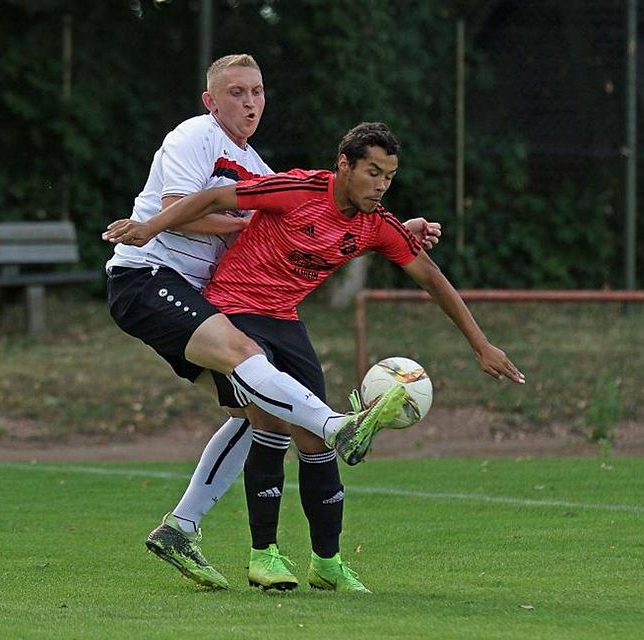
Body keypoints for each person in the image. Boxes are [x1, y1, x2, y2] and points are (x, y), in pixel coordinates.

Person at [104, 121, 526, 593]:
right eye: (372, 172)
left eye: (389, 175)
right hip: (237, 306)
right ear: (343, 165)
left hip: (286, 319)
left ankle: (326, 562)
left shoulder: (375, 224)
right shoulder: (297, 188)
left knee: (308, 438)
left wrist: (481, 344)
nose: (381, 184)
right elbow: (213, 199)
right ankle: (266, 552)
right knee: (268, 421)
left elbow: (431, 277)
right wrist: (148, 227)